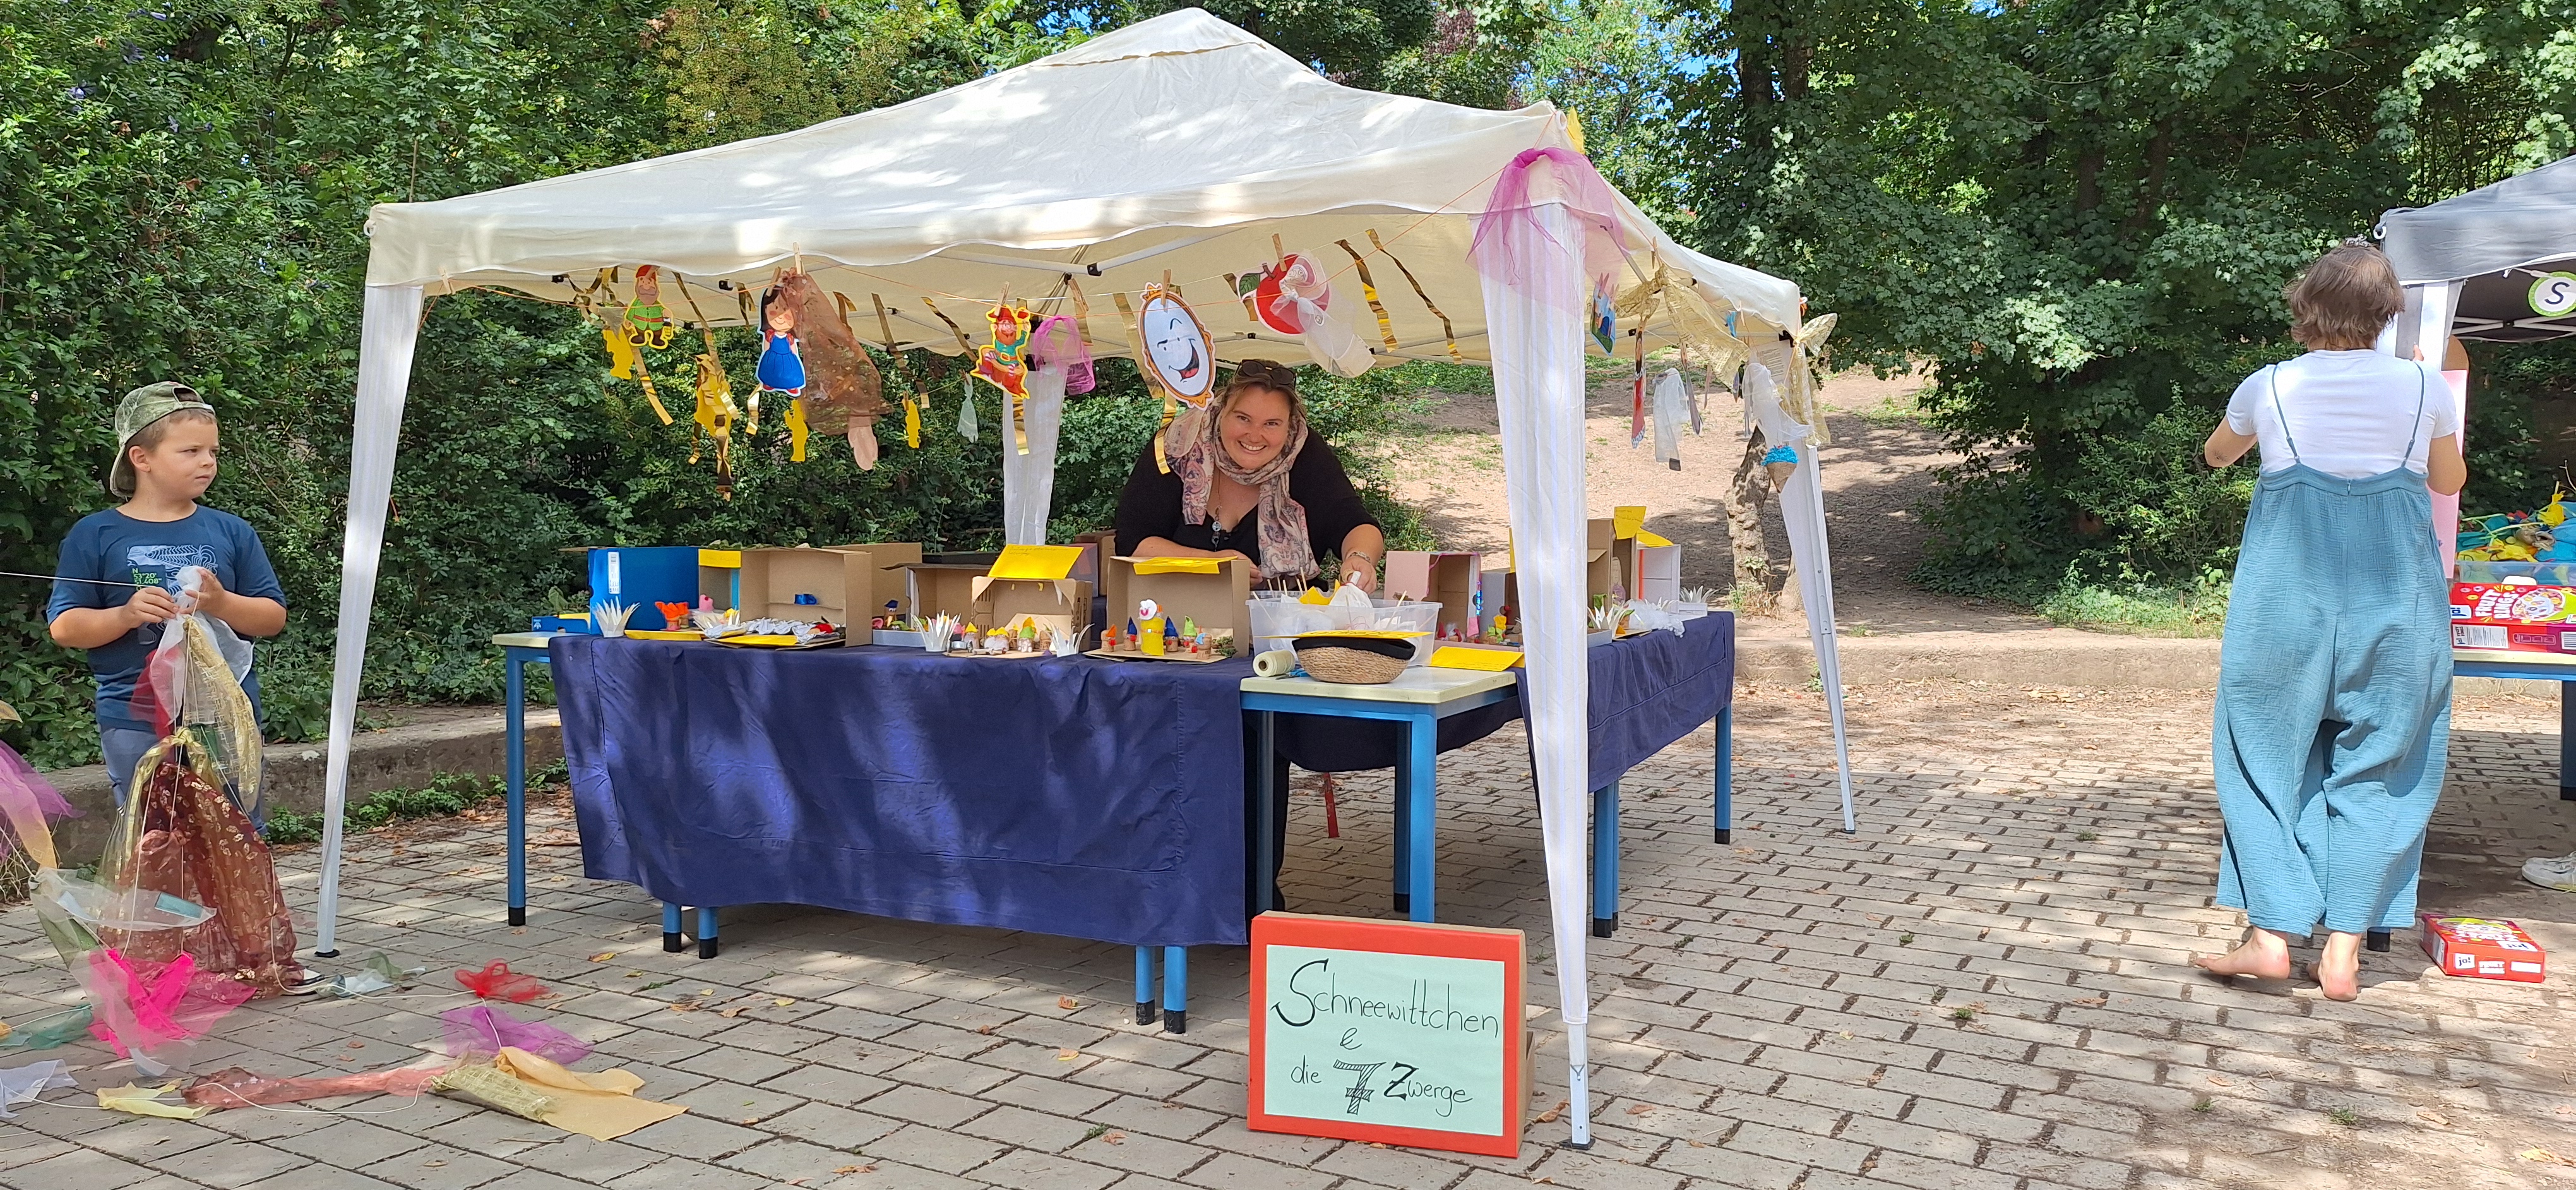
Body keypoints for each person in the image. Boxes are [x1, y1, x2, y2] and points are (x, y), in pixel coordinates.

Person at [2193, 242, 2466, 1001]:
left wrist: (2248, 433)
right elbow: (2448, 480)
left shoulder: (2270, 386)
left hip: (2285, 609)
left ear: (2305, 307)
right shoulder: (2424, 386)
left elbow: (2216, 455)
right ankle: (2344, 951)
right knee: (2385, 765)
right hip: (2397, 610)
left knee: (2260, 759)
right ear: (2387, 313)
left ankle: (2271, 935)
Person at [47, 382, 289, 805]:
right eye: (190, 451)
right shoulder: (95, 534)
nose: (207, 462)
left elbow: (272, 618)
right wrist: (125, 615)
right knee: (152, 832)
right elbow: (65, 628)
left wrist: (221, 603)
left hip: (224, 713)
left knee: (234, 828)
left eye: (213, 452)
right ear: (141, 459)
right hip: (134, 718)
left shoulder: (232, 530)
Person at [1114, 358, 1386, 592]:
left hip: (1285, 620)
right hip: (1177, 618)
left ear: (1289, 426)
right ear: (1221, 412)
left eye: (1272, 424)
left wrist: (1360, 558)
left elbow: (1355, 524)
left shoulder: (1304, 452)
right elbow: (1133, 543)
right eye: (1243, 418)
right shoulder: (1178, 446)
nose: (1255, 436)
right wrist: (1213, 564)